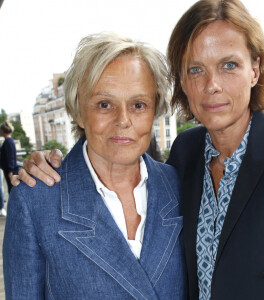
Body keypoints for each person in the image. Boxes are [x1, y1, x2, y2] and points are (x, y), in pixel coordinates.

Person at [13, 0, 264, 299]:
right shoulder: (186, 156)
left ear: (254, 70)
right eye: (196, 69)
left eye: (229, 65)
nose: (212, 84)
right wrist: (47, 162)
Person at [3, 32, 187, 299]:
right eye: (104, 104)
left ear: (155, 110)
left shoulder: (180, 185)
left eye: (138, 104)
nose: (123, 120)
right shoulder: (34, 201)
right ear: (78, 111)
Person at [0, 121, 18, 195]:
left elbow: (10, 157)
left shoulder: (8, 141)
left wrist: (10, 171)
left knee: (11, 190)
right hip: (10, 170)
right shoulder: (9, 141)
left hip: (10, 171)